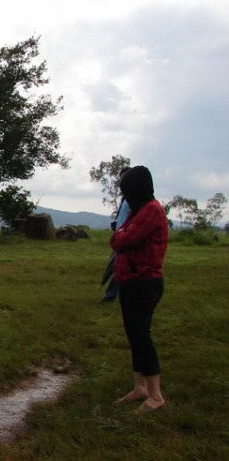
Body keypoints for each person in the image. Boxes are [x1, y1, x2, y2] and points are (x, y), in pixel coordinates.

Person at [110, 166, 168, 413]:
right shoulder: (139, 211)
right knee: (134, 336)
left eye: (128, 191)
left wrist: (119, 235)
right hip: (130, 281)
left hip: (144, 283)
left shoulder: (151, 211)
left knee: (142, 337)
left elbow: (124, 239)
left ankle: (155, 395)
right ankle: (140, 387)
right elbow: (120, 232)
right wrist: (119, 234)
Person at [101, 167, 132, 303]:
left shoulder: (134, 198)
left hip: (127, 237)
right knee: (116, 265)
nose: (123, 181)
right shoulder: (125, 197)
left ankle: (110, 295)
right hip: (119, 236)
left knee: (119, 266)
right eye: (121, 179)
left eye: (125, 178)